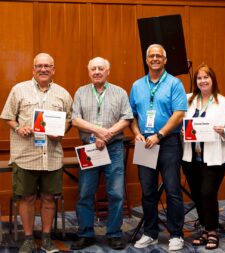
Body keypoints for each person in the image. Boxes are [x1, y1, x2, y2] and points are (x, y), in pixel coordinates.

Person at [0, 53, 73, 253]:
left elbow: (69, 119)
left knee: (49, 198)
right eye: (39, 66)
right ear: (33, 69)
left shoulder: (63, 94)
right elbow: (7, 116)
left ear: (53, 69)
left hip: (52, 157)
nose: (43, 69)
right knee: (27, 198)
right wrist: (18, 128)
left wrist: (61, 131)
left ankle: (47, 238)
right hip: (25, 156)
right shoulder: (19, 90)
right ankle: (28, 239)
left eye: (47, 66)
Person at [70, 57, 133, 250]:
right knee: (85, 192)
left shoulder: (120, 92)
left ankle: (114, 233)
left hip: (113, 148)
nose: (97, 72)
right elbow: (75, 120)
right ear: (88, 72)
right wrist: (98, 131)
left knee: (115, 193)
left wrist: (107, 135)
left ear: (108, 71)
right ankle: (85, 233)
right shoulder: (81, 92)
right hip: (88, 148)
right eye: (93, 69)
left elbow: (127, 118)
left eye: (101, 69)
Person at [129, 44, 187, 251]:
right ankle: (150, 232)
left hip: (168, 142)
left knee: (172, 190)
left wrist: (159, 135)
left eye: (158, 56)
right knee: (147, 192)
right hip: (144, 143)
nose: (154, 59)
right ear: (146, 60)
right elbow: (132, 116)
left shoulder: (174, 83)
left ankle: (176, 234)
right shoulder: (137, 85)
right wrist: (136, 133)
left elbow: (179, 114)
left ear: (165, 60)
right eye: (151, 56)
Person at [182, 64, 225, 250]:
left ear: (213, 80)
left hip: (215, 157)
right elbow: (179, 122)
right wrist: (182, 131)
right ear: (195, 81)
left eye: (206, 77)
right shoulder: (187, 100)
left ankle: (212, 231)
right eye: (199, 78)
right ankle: (204, 229)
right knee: (197, 195)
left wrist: (224, 131)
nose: (203, 81)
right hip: (191, 157)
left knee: (208, 193)